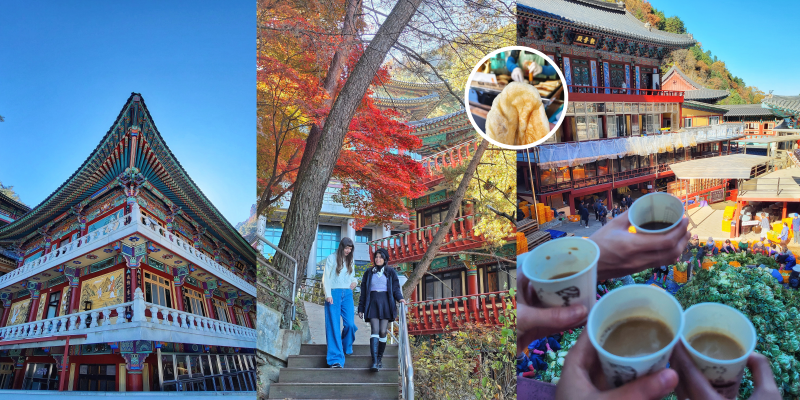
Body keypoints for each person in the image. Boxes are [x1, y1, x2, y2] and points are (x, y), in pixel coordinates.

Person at [357, 248, 405, 371]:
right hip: (372, 303)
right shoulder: (368, 273)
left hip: (385, 303)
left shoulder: (391, 272)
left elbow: (395, 289)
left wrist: (400, 299)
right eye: (376, 257)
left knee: (383, 331)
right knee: (375, 330)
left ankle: (379, 359)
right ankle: (374, 362)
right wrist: (361, 308)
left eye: (380, 257)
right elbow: (363, 292)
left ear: (385, 259)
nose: (378, 259)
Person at [322, 237, 358, 368]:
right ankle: (335, 359)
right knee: (333, 326)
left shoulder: (350, 260)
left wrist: (355, 282)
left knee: (350, 324)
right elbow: (326, 277)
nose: (348, 250)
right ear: (341, 247)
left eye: (350, 248)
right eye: (346, 248)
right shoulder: (331, 258)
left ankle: (345, 345)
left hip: (347, 294)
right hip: (334, 294)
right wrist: (328, 294)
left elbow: (352, 276)